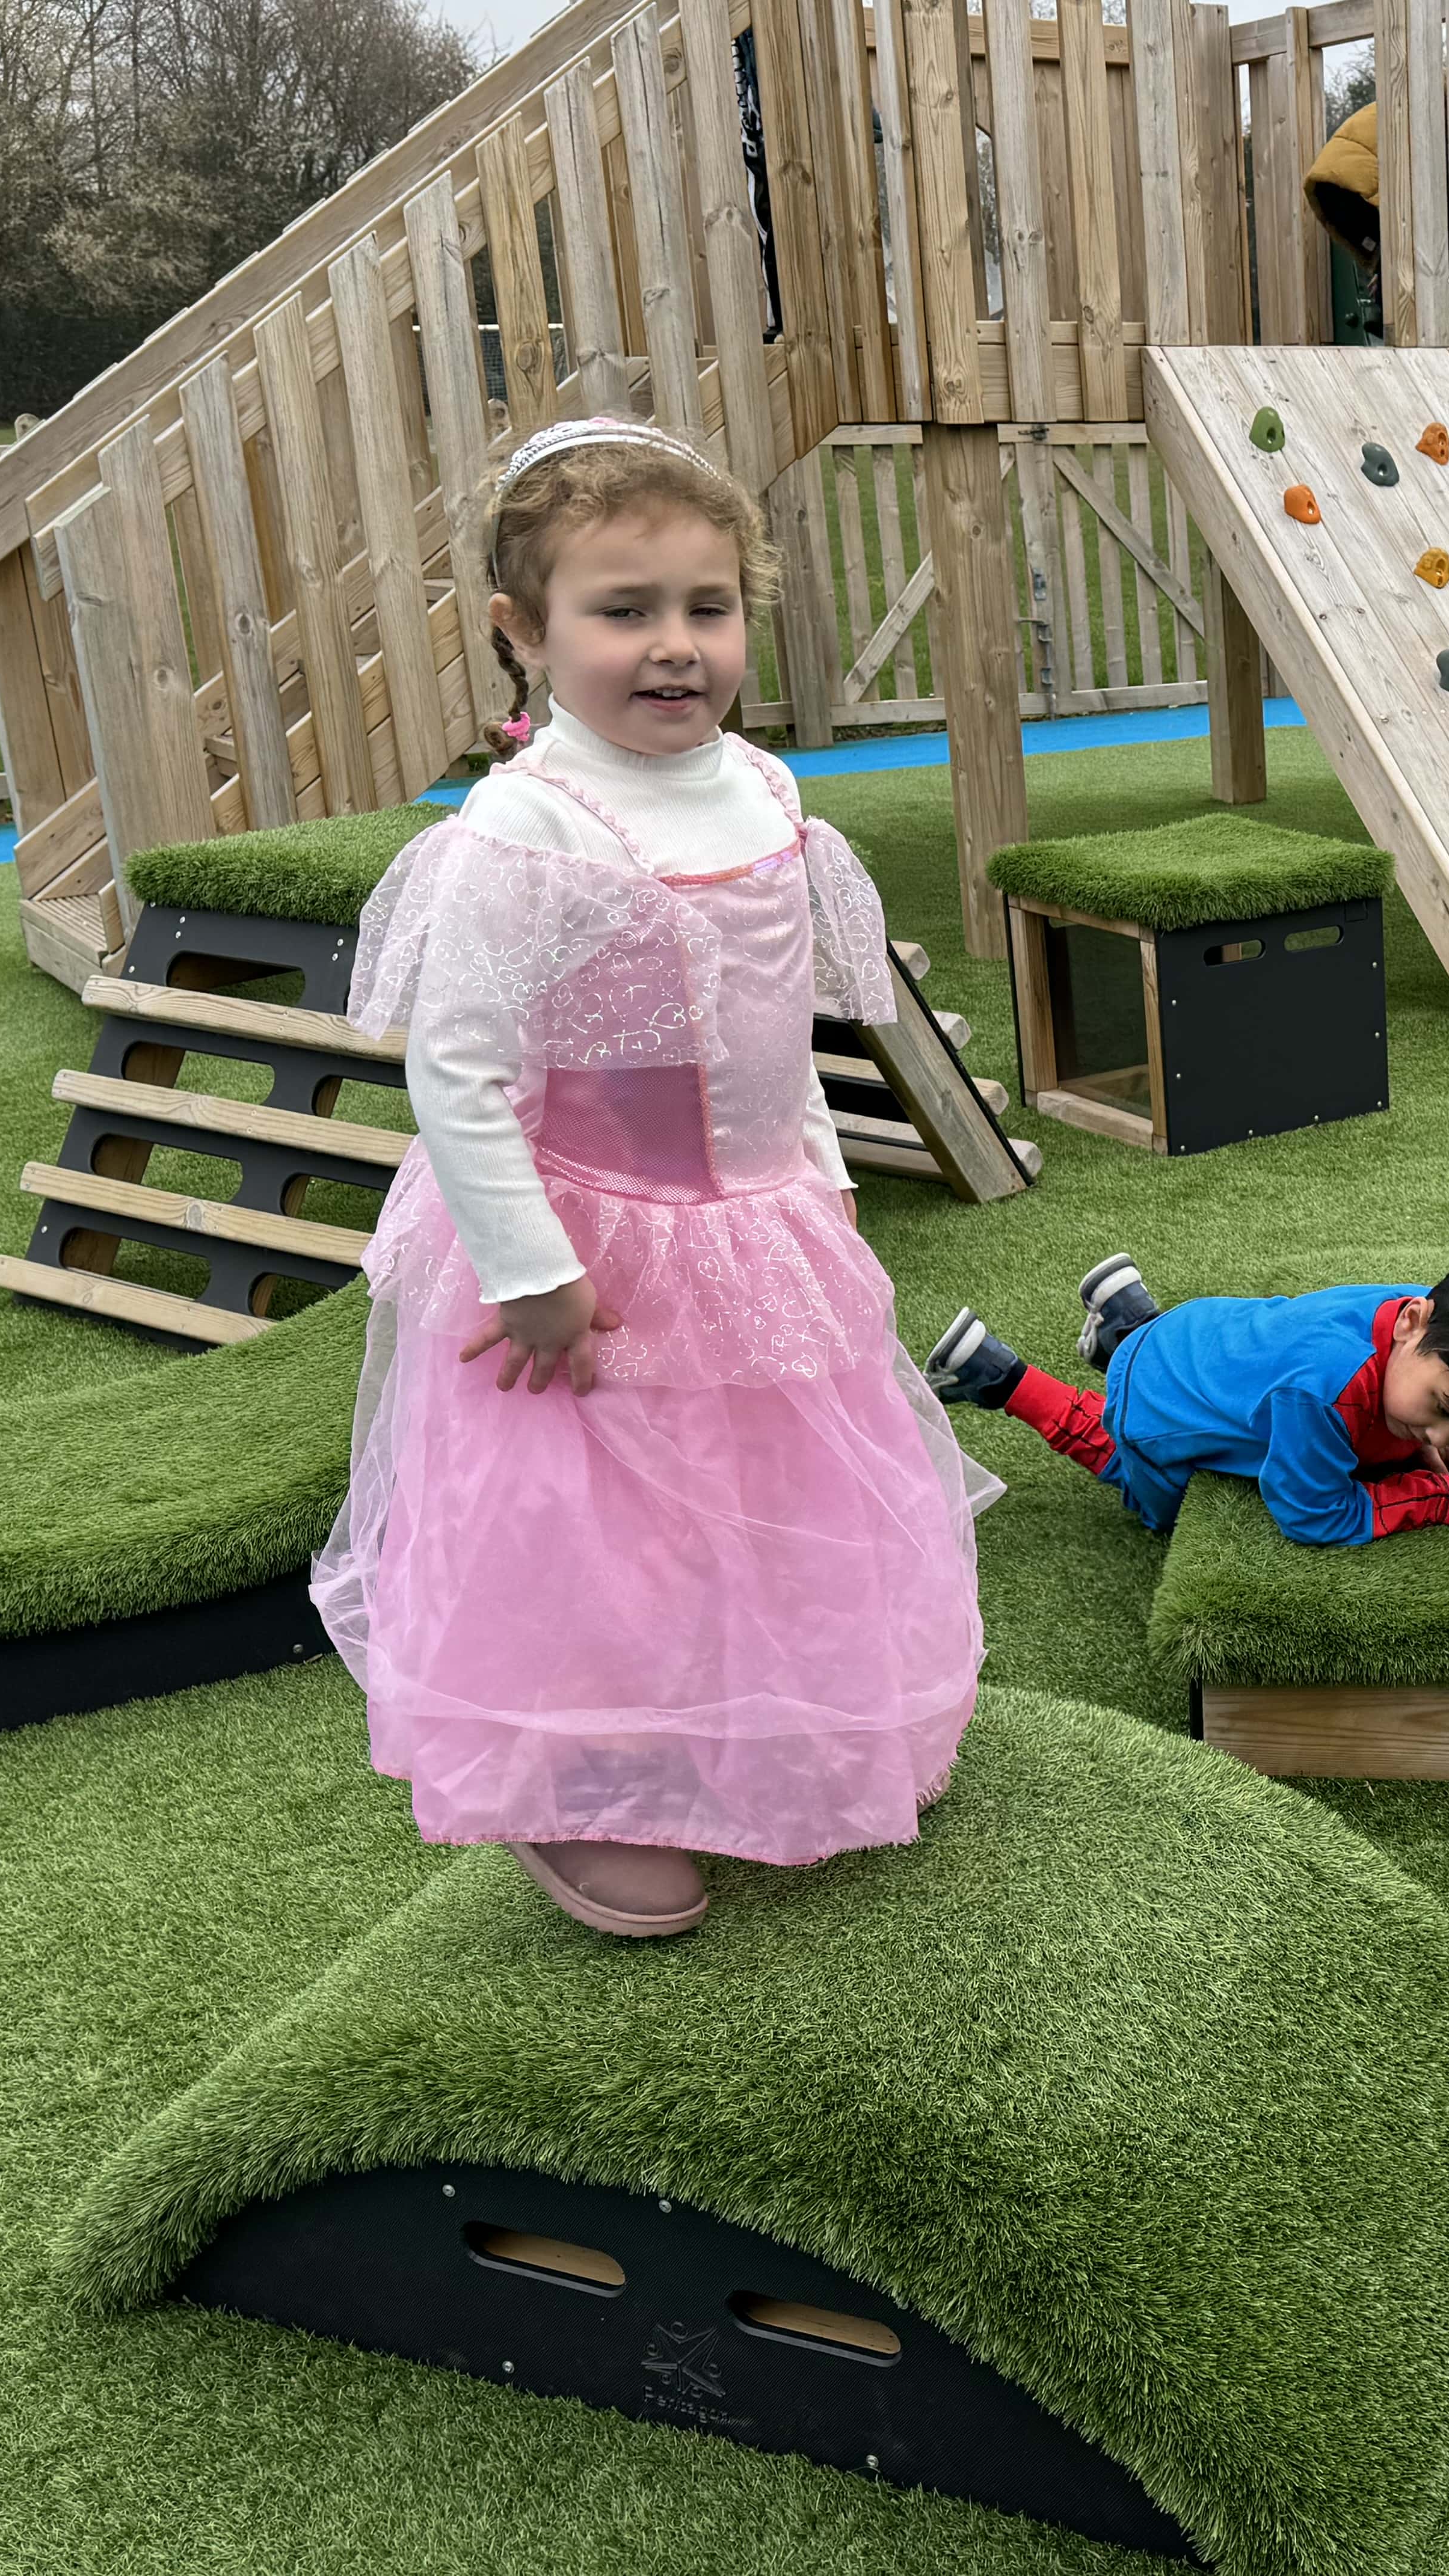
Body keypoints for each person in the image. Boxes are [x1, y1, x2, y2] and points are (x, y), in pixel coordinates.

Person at [310, 416, 994, 1940]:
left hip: (750, 1230)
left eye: (708, 607)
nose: (673, 646)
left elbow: (773, 1033)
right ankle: (575, 1780)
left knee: (751, 1496)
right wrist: (529, 1270)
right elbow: (461, 1069)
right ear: (524, 633)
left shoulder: (762, 789)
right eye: (622, 612)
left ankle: (766, 1725)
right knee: (593, 1528)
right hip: (587, 1250)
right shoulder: (530, 827)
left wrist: (808, 1175)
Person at [926, 1227, 1449, 1543]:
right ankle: (995, 1376)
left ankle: (1128, 1323)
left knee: (1193, 1371)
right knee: (1143, 1487)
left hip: (1203, 1333)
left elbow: (1398, 1412)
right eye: (1447, 1412)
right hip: (1154, 1411)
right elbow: (1315, 1515)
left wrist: (1435, 1447)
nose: (1446, 1435)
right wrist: (1444, 1497)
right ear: (1417, 1323)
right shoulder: (1322, 1391)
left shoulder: (1419, 1313)